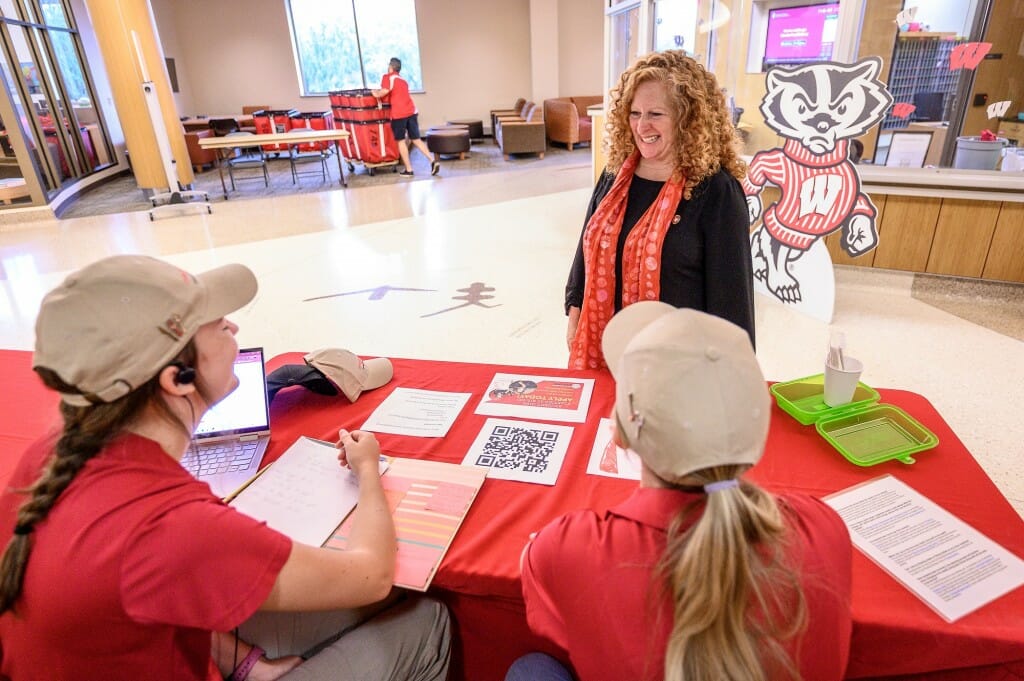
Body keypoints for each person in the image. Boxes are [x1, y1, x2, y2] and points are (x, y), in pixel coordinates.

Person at [0, 255, 450, 681]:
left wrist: (246, 663)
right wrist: (368, 470)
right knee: (427, 621)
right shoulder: (172, 525)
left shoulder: (51, 455)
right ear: (177, 378)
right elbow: (371, 576)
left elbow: (154, 593)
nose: (232, 325)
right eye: (216, 324)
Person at [512, 302, 853, 681]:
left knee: (530, 670)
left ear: (620, 432)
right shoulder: (822, 528)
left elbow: (545, 595)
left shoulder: (570, 548)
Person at [565, 50, 755, 370]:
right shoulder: (615, 175)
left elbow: (733, 301)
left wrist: (729, 375)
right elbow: (588, 247)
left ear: (687, 119)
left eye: (655, 114)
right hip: (603, 352)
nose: (642, 126)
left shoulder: (717, 191)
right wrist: (574, 309)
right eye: (635, 113)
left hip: (680, 369)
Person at [372, 57, 439, 178]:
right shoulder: (403, 80)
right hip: (412, 111)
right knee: (416, 139)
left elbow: (384, 92)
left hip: (399, 114)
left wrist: (374, 93)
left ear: (391, 67)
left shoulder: (388, 77)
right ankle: (432, 160)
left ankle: (409, 170)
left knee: (401, 141)